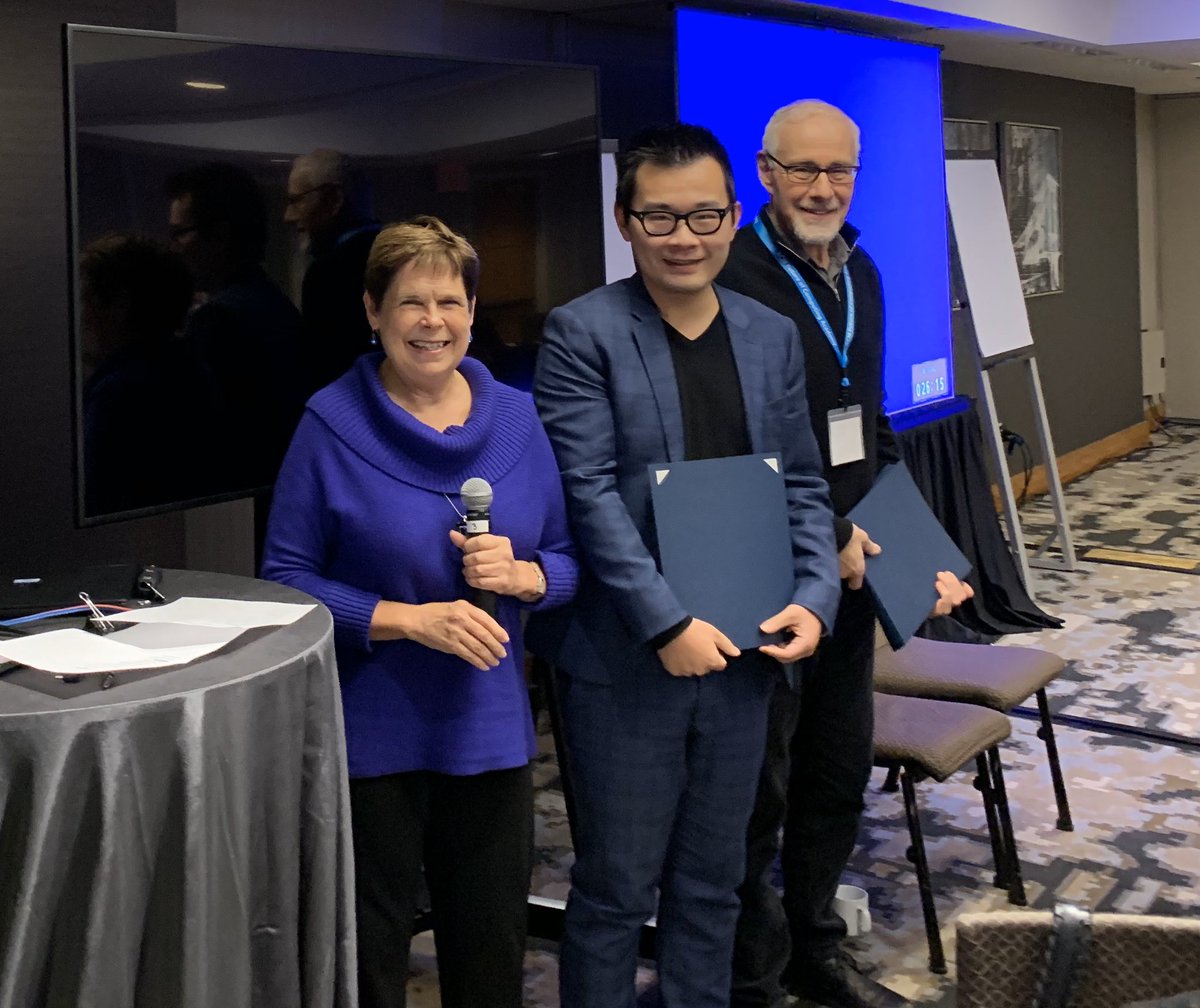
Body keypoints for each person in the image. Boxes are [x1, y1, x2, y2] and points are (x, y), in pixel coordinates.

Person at [532, 123, 841, 1008]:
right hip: (629, 659)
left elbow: (803, 483)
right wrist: (666, 623)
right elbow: (588, 495)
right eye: (659, 218)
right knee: (615, 890)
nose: (684, 237)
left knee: (716, 884)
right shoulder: (582, 332)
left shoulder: (770, 334)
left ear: (734, 216)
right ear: (624, 222)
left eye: (705, 215)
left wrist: (816, 595)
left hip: (747, 650)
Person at [260, 215, 578, 1008]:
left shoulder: (518, 420)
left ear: (472, 312)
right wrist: (409, 620)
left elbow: (570, 562)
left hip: (490, 731)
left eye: (450, 301)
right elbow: (285, 582)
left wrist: (525, 576)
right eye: (411, 302)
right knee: (370, 959)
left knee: (491, 952)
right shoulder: (329, 425)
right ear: (374, 312)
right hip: (373, 735)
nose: (432, 321)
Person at [719, 100, 973, 1008]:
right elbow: (732, 444)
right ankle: (752, 975)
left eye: (840, 170)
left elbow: (869, 429)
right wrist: (829, 536)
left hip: (857, 571)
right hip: (768, 573)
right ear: (766, 172)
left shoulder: (861, 270)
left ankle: (814, 949)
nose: (823, 188)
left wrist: (914, 552)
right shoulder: (729, 274)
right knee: (760, 790)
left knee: (834, 773)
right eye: (803, 169)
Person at [167, 162, 308, 491]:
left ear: (221, 235)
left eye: (180, 233)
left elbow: (205, 442)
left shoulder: (220, 319)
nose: (174, 247)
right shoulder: (274, 303)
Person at [284, 148, 382, 390]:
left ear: (333, 200)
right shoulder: (409, 256)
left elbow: (326, 374)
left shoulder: (328, 274)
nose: (289, 216)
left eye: (296, 201)